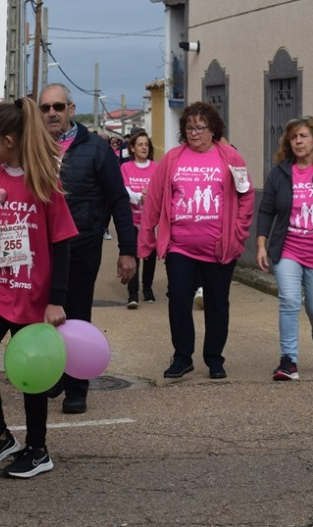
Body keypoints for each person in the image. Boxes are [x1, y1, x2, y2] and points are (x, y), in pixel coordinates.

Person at [0, 97, 78, 479]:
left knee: (32, 372)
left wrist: (55, 301)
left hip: (34, 294)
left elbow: (61, 242)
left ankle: (37, 448)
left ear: (9, 140)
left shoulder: (44, 181)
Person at [38, 82, 136, 414]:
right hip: (42, 248)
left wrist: (127, 250)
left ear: (71, 110)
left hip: (82, 243)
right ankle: (53, 374)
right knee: (45, 315)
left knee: (76, 314)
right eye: (46, 108)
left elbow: (119, 201)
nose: (52, 113)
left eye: (58, 107)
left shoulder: (96, 149)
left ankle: (76, 387)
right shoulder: (32, 148)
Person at [138, 101, 254, 380]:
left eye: (200, 127)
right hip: (180, 247)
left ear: (213, 129)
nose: (194, 133)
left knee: (217, 302)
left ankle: (214, 358)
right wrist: (146, 239)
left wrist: (238, 233)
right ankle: (182, 357)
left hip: (219, 248)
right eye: (189, 127)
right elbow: (154, 198)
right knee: (178, 297)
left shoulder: (230, 158)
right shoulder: (173, 159)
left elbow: (246, 196)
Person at [256, 116, 313, 381]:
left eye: (303, 136)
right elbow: (266, 210)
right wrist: (261, 244)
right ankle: (288, 361)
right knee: (289, 300)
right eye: (294, 137)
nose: (298, 141)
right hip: (289, 249)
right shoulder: (280, 173)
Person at [120, 129, 158, 308]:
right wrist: (138, 196)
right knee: (133, 256)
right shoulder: (125, 168)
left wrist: (151, 195)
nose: (144, 147)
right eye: (140, 145)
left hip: (150, 221)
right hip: (132, 221)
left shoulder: (156, 167)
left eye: (146, 145)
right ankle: (133, 294)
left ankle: (148, 289)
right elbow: (124, 190)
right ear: (133, 148)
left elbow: (160, 190)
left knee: (150, 255)